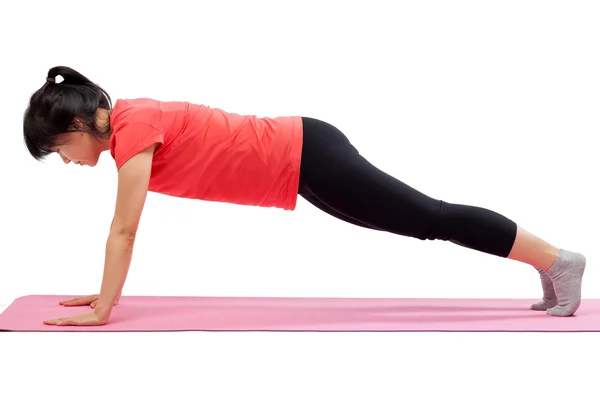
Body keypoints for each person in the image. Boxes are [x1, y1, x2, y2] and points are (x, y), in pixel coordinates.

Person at [22, 66, 586, 327]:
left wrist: (103, 306)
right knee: (419, 220)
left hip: (306, 153)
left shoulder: (132, 129)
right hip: (301, 166)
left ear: (76, 124)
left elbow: (124, 228)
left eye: (59, 149)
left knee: (426, 217)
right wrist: (103, 297)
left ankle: (558, 261)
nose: (66, 162)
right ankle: (549, 265)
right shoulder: (130, 127)